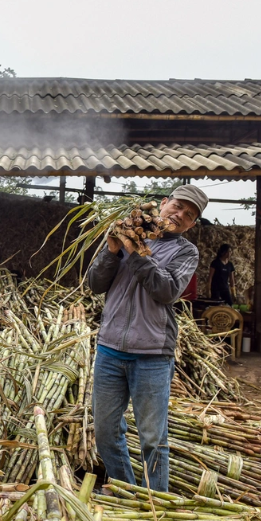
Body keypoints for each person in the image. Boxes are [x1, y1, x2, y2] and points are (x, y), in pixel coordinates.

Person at [86, 184, 208, 492]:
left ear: (192, 225)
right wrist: (113, 249)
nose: (180, 215)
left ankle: (158, 503)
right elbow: (95, 284)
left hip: (153, 354)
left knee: (153, 438)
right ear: (164, 203)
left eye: (189, 215)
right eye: (177, 206)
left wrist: (136, 250)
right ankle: (127, 492)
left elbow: (165, 291)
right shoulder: (125, 234)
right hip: (110, 350)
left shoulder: (185, 251)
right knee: (105, 432)